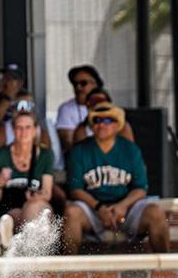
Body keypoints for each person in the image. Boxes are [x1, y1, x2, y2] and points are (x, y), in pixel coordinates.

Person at [63, 103, 166, 254]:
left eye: (107, 120)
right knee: (72, 213)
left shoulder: (130, 150)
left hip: (127, 209)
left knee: (156, 212)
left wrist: (122, 206)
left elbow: (141, 188)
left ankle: (164, 271)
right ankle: (68, 272)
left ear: (117, 124)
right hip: (93, 209)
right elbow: (75, 189)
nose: (101, 125)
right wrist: (99, 207)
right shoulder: (79, 150)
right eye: (97, 120)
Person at [0, 110, 53, 256]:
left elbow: (47, 193)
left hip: (35, 204)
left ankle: (5, 242)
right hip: (9, 206)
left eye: (28, 127)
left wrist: (36, 197)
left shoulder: (45, 155)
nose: (23, 132)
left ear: (35, 130)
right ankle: (10, 243)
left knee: (33, 209)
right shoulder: (2, 155)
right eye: (19, 127)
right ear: (13, 130)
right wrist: (0, 183)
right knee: (12, 217)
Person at [54, 65, 103, 152]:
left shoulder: (106, 107)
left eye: (83, 83)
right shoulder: (66, 109)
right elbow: (69, 144)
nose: (78, 87)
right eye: (75, 84)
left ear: (95, 84)